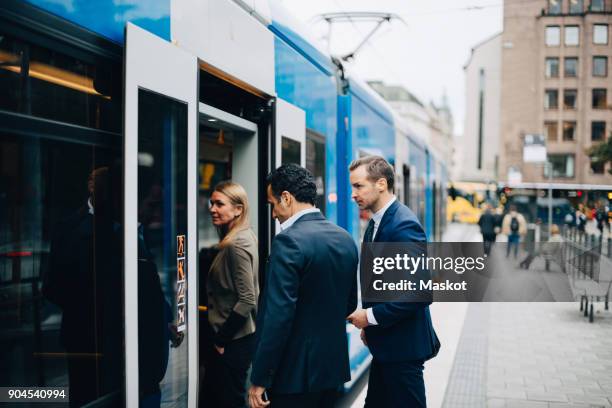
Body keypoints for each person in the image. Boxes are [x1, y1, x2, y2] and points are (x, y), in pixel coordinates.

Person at [248, 164, 358, 408]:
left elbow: (278, 316)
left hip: (294, 377)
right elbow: (349, 304)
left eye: (272, 204)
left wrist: (260, 378)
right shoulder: (345, 238)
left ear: (286, 198)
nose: (273, 213)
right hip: (332, 370)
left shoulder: (288, 241)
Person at [346, 156, 440, 408]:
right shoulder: (376, 223)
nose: (353, 194)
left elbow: (420, 293)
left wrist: (370, 317)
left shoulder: (403, 225)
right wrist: (372, 326)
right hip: (388, 345)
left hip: (403, 350)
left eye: (358, 186)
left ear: (380, 184)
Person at [202, 181, 259, 407]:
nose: (212, 208)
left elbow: (247, 299)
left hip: (232, 341)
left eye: (219, 204)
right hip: (236, 339)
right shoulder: (242, 235)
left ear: (238, 209)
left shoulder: (236, 244)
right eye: (211, 202)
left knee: (227, 401)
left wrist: (221, 340)